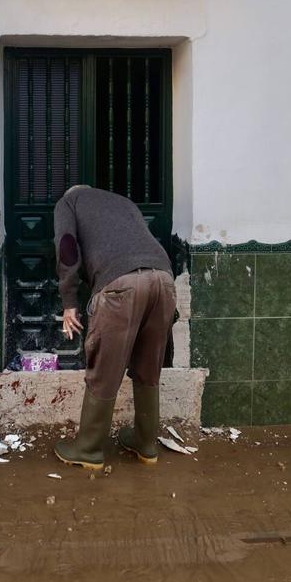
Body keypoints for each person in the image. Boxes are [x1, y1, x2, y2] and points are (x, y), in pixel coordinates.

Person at [52, 185, 177, 470]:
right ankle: (146, 444)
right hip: (163, 279)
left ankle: (88, 448)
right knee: (148, 366)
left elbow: (67, 245)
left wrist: (69, 302)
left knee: (105, 366)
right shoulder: (123, 201)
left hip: (121, 283)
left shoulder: (69, 202)